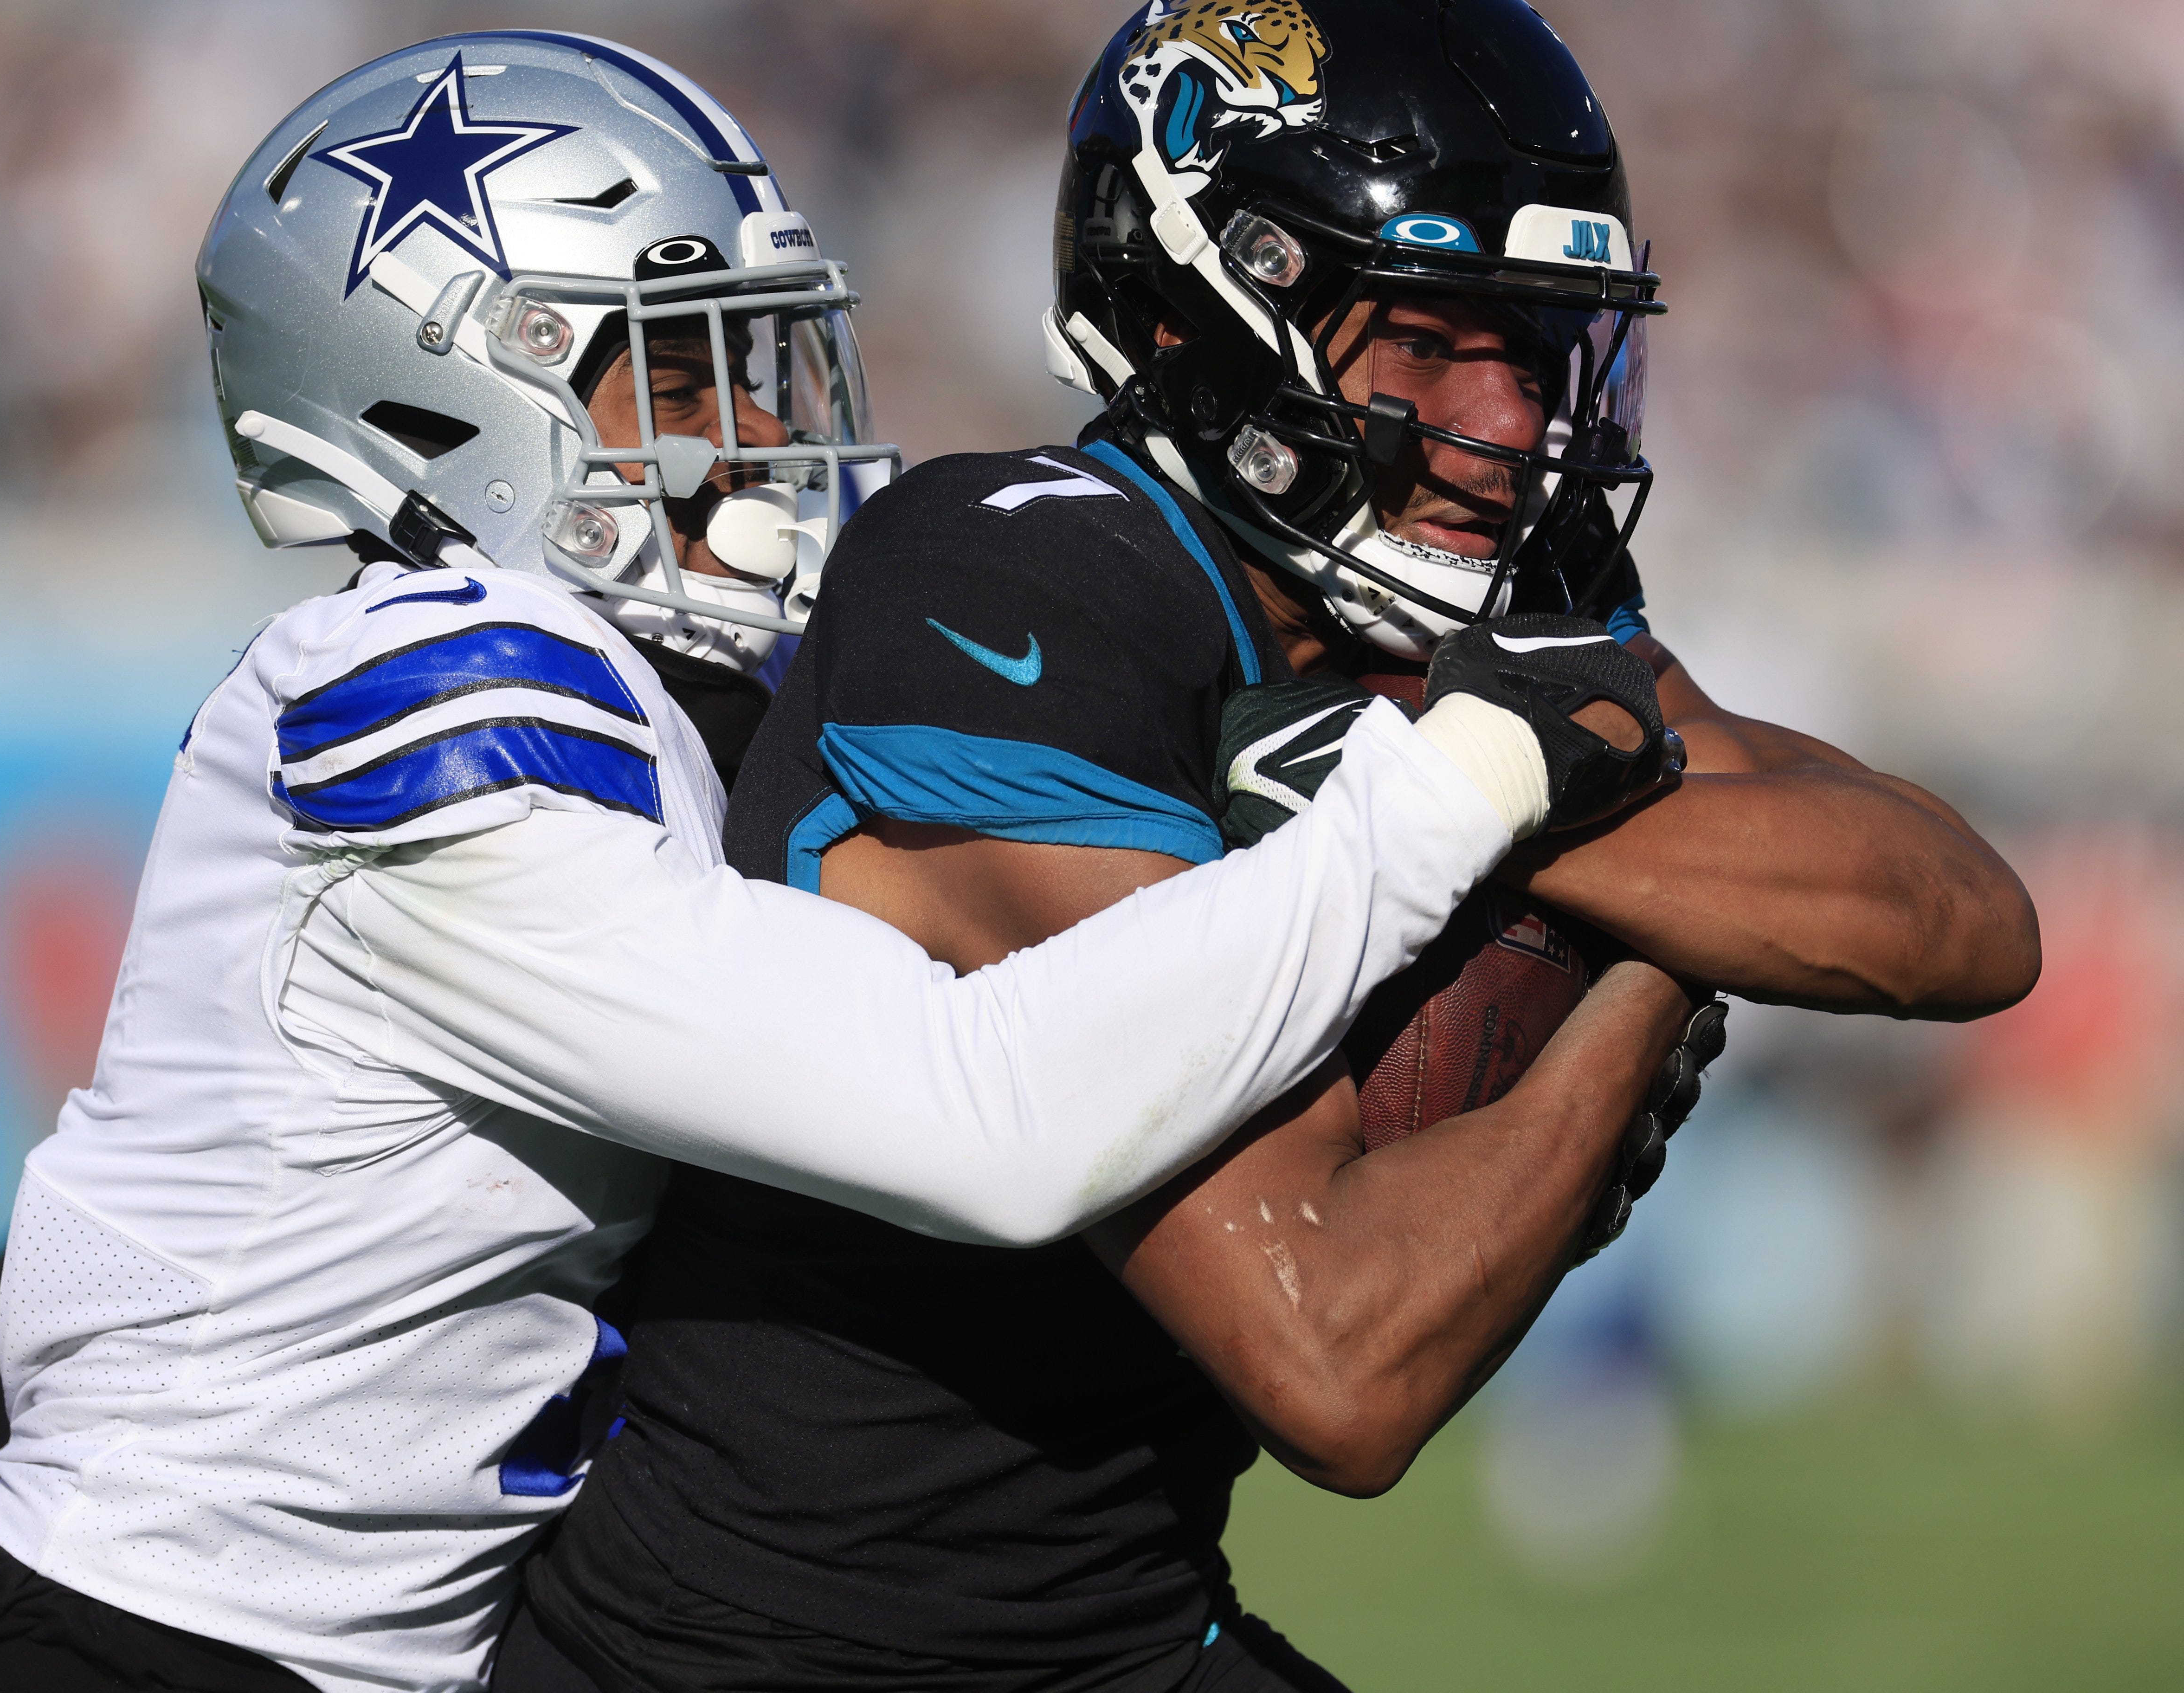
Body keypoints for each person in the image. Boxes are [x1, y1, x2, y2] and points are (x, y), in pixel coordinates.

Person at [0, 30, 1663, 1693]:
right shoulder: (428, 694)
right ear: (441, 404)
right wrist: (1463, 785)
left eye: (769, 365)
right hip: (96, 1643)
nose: (766, 441)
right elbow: (982, 1114)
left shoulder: (664, 703)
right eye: (679, 381)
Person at [500, 4, 2038, 1691]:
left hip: (1125, 1630)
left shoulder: (1463, 609)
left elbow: (1960, 914)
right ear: (1214, 303)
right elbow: (1337, 1351)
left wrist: (1461, 808)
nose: (1511, 423)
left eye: (1537, 348)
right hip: (748, 1652)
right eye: (1439, 339)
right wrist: (1639, 967)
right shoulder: (1005, 582)